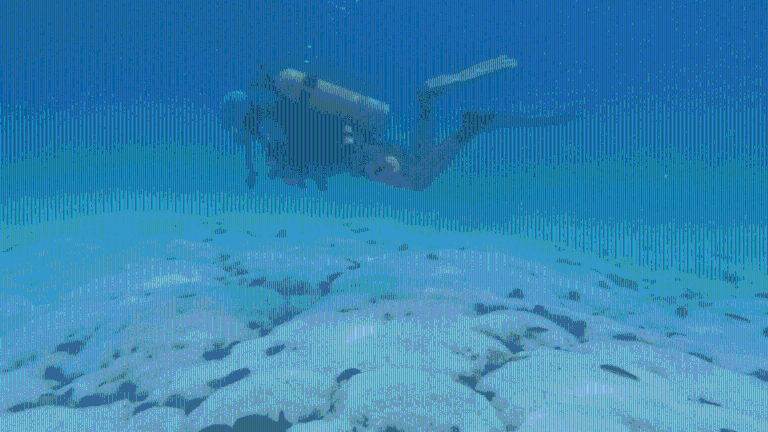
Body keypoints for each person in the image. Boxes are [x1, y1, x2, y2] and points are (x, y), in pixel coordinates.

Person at [223, 55, 578, 191]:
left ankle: (471, 126)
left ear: (238, 122)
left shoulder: (269, 132)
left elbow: (298, 172)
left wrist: (279, 170)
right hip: (363, 135)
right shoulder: (283, 103)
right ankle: (426, 103)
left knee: (419, 180)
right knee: (417, 162)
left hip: (358, 157)